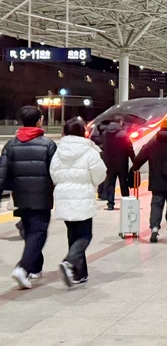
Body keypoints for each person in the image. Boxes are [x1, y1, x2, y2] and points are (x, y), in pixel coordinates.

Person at [0, 106, 57, 289]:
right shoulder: (48, 144)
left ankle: (34, 267)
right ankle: (22, 268)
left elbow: (2, 173)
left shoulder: (11, 145)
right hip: (41, 197)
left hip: (20, 197)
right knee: (38, 232)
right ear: (40, 120)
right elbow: (56, 173)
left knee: (30, 231)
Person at [50, 118, 106, 287]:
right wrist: (91, 184)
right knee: (84, 235)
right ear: (84, 132)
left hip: (64, 196)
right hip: (82, 195)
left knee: (73, 234)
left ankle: (79, 274)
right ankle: (69, 262)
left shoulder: (59, 151)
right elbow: (100, 174)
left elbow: (53, 174)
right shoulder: (90, 152)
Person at [131, 120, 167, 243]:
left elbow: (139, 158)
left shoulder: (152, 143)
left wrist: (134, 169)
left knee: (156, 205)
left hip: (156, 180)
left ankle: (154, 228)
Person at [102, 115, 135, 210]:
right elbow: (129, 147)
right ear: (120, 122)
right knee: (123, 182)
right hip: (122, 161)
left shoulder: (105, 133)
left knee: (110, 182)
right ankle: (125, 202)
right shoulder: (123, 134)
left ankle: (110, 204)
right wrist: (134, 160)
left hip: (109, 162)